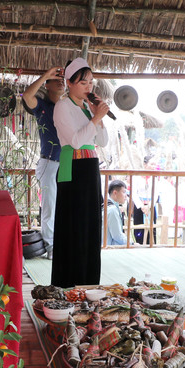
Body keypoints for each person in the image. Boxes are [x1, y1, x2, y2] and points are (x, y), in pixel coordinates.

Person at [51, 57, 109, 287]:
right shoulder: (62, 106)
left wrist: (99, 118)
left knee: (90, 228)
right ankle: (68, 284)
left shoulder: (86, 108)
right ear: (69, 83)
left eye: (91, 82)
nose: (89, 87)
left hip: (90, 169)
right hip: (73, 169)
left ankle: (89, 283)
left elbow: (102, 141)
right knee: (73, 228)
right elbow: (75, 142)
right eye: (83, 83)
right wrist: (95, 118)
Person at [22, 67, 65, 258]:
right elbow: (27, 95)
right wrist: (46, 76)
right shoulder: (42, 107)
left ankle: (61, 243)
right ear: (47, 85)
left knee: (63, 206)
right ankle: (50, 247)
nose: (60, 81)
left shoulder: (67, 108)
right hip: (49, 162)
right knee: (49, 206)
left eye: (62, 79)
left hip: (66, 163)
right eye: (56, 79)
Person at [105, 179, 128, 246]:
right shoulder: (112, 209)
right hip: (109, 248)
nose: (125, 195)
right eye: (123, 192)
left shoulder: (108, 206)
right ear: (115, 193)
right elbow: (117, 236)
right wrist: (131, 243)